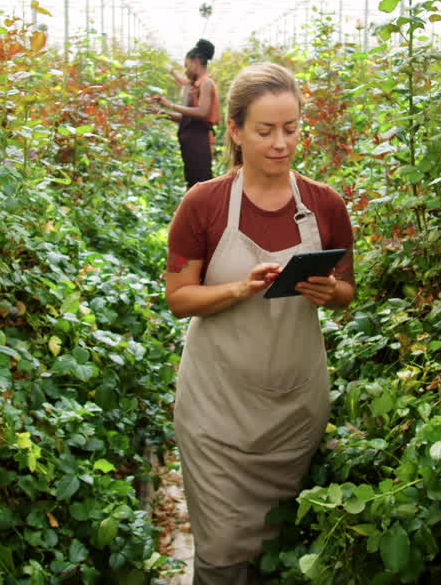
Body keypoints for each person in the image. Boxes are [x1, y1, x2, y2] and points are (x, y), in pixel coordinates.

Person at [164, 62, 355, 583]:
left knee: (278, 548)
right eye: (265, 130)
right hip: (216, 410)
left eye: (291, 128)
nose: (281, 143)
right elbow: (179, 298)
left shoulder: (325, 205)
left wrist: (329, 291)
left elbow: (347, 290)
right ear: (234, 130)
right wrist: (238, 289)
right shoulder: (203, 204)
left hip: (295, 408)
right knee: (222, 551)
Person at [154, 38, 220, 189]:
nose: (185, 70)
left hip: (199, 142)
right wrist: (163, 113)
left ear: (196, 61)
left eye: (187, 65)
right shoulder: (196, 85)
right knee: (194, 183)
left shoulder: (206, 83)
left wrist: (171, 105)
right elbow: (188, 118)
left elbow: (202, 112)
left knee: (201, 184)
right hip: (192, 143)